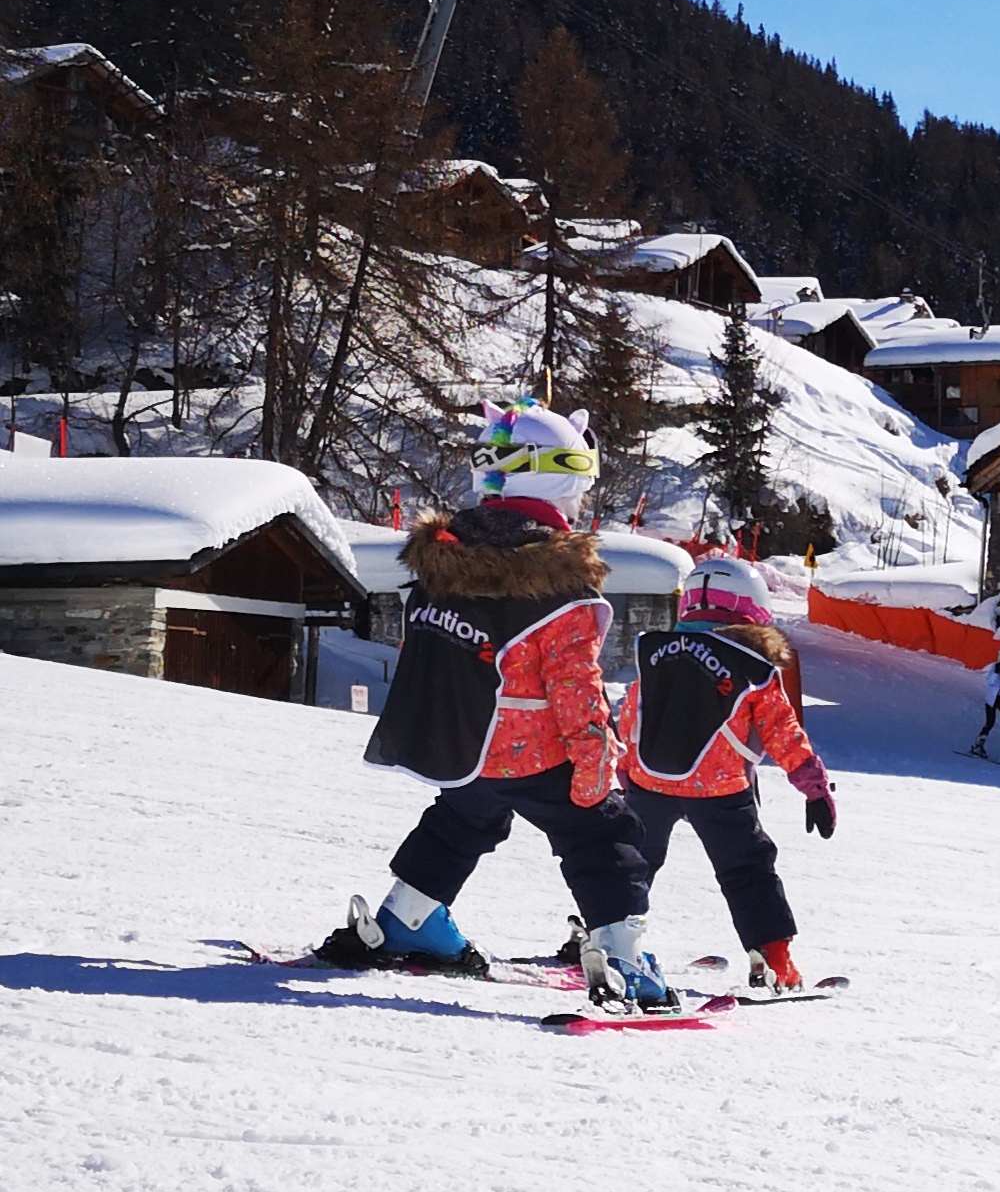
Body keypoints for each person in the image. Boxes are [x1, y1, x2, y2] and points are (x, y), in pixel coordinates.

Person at [320, 400, 674, 1012]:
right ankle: (625, 957)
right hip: (535, 749)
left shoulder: (444, 564)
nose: (583, 503)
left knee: (463, 819)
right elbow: (574, 679)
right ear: (559, 479)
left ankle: (408, 918)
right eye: (581, 486)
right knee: (600, 833)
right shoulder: (554, 576)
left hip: (462, 744)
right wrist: (595, 757)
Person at [616, 553, 836, 992]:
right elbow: (782, 730)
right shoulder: (752, 664)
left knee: (631, 862)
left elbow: (632, 717)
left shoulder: (654, 649)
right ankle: (772, 958)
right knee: (747, 868)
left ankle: (608, 939)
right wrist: (814, 788)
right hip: (720, 788)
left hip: (650, 781)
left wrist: (626, 770)